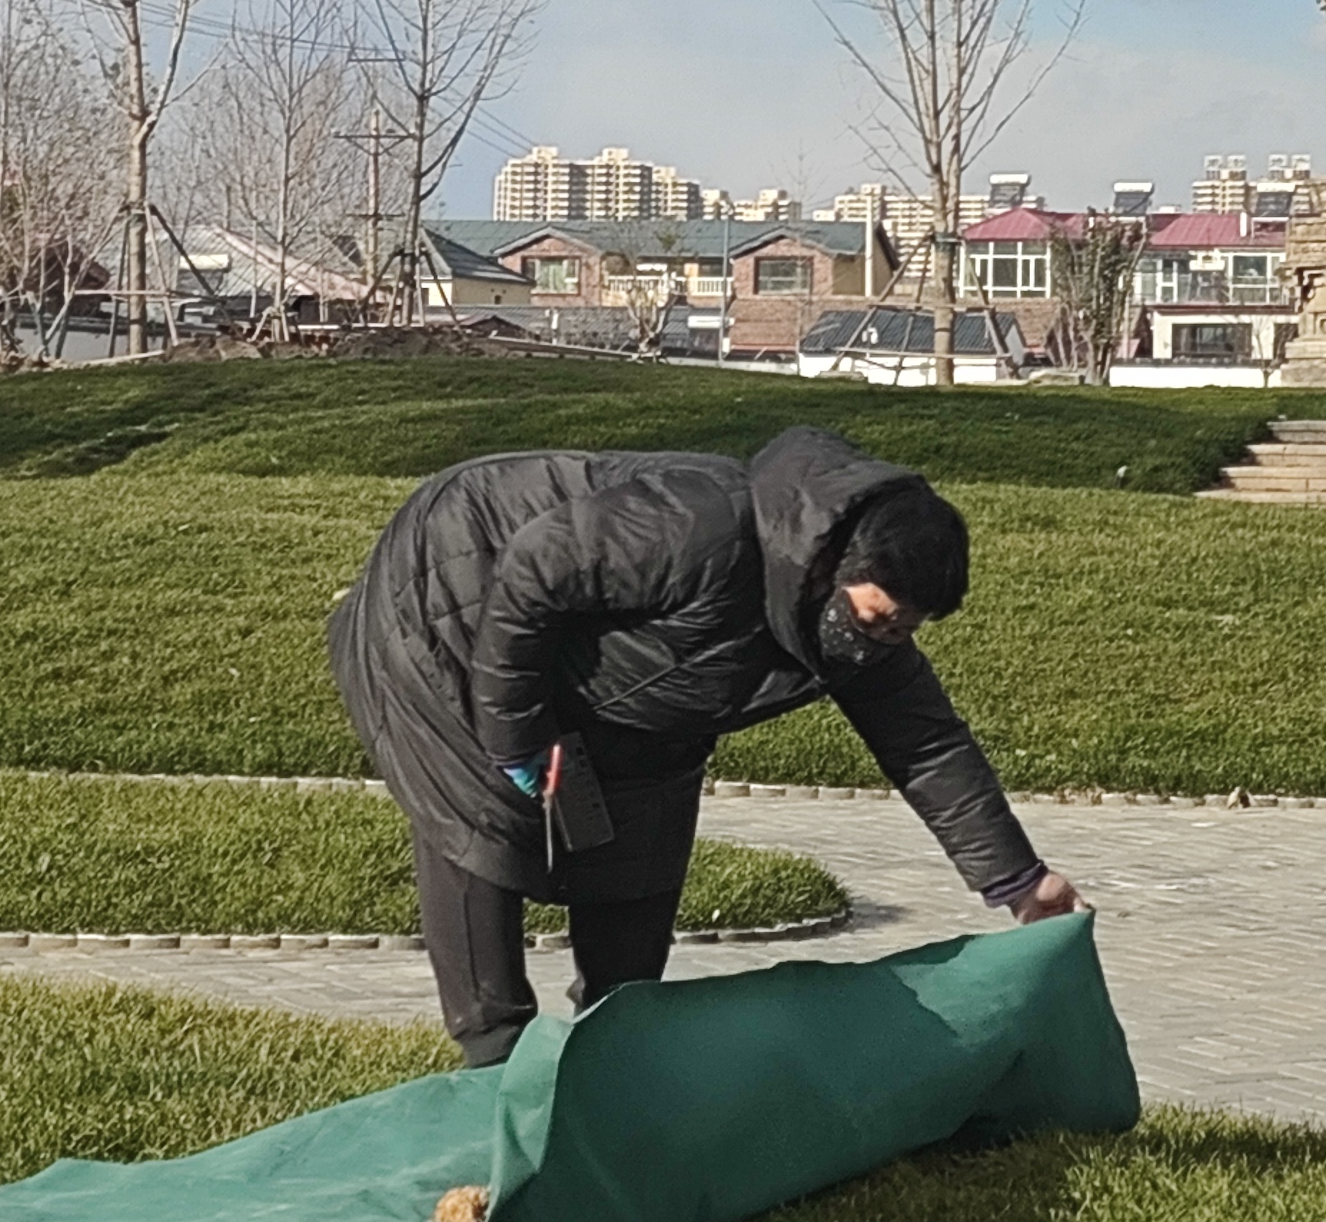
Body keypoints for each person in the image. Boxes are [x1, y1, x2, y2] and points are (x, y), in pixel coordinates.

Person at [330, 421, 1084, 1063]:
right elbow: (533, 570)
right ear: (836, 568)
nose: (888, 638)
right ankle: (494, 1063)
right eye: (881, 617)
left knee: (642, 851)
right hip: (452, 599)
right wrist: (516, 736)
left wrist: (1022, 883)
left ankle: (613, 1056)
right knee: (486, 828)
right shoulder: (700, 527)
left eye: (907, 628)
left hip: (622, 690)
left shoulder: (853, 633)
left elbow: (928, 746)